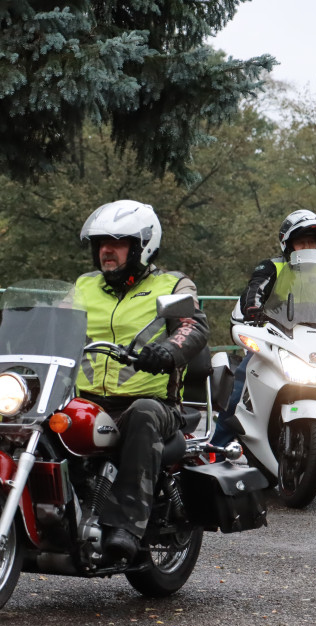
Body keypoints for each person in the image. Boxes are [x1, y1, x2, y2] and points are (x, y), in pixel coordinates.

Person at [75, 199, 210, 562]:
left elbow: (193, 326)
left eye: (117, 243)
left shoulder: (171, 285)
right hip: (87, 401)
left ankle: (126, 526)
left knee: (143, 413)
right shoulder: (84, 286)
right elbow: (51, 324)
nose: (106, 250)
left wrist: (168, 351)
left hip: (154, 405)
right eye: (100, 243)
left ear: (141, 247)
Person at [210, 208, 316, 499]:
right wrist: (254, 309)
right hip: (273, 338)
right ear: (287, 242)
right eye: (301, 241)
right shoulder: (271, 267)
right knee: (242, 378)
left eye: (311, 242)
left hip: (315, 346)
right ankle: (214, 454)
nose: (306, 247)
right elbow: (254, 292)